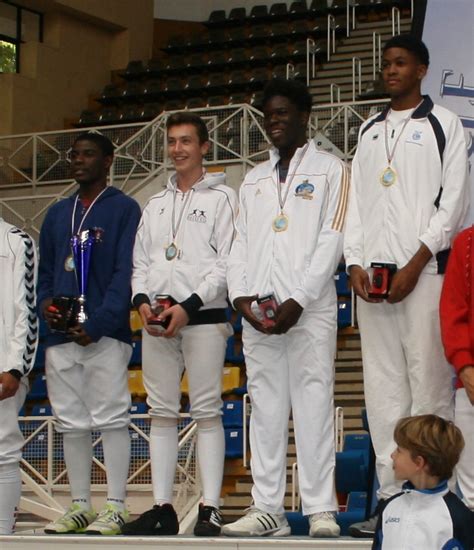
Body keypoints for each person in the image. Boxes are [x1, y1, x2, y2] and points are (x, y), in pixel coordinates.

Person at [344, 34, 469, 537]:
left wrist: (417, 262)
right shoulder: (369, 129)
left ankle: (440, 498)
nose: (389, 70)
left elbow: (454, 202)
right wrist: (353, 261)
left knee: (429, 388)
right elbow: (354, 205)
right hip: (371, 285)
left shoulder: (446, 124)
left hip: (423, 276)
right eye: (386, 64)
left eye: (400, 63)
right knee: (382, 391)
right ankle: (391, 498)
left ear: (422, 69)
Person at [223, 78, 349, 538]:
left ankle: (319, 508)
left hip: (308, 309)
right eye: (267, 116)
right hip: (258, 311)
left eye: (281, 114)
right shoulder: (253, 179)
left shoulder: (331, 170)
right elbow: (237, 246)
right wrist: (240, 300)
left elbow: (332, 238)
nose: (273, 122)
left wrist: (299, 298)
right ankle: (267, 508)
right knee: (266, 408)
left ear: (304, 117)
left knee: (314, 404)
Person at [122, 112, 237, 537]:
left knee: (206, 410)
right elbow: (139, 264)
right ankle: (162, 507)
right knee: (161, 413)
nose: (177, 149)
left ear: (204, 147)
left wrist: (188, 305)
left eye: (187, 141)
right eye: (172, 142)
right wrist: (142, 303)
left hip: (203, 317)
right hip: (155, 321)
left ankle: (210, 507)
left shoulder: (224, 198)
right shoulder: (153, 204)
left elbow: (227, 263)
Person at [37, 132, 141, 535]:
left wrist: (98, 322)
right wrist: (48, 307)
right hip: (61, 336)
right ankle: (80, 504)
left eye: (88, 154)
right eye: (74, 154)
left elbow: (125, 272)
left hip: (105, 332)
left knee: (112, 417)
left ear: (108, 160)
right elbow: (46, 274)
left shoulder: (124, 209)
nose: (79, 161)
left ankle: (115, 505)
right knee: (70, 422)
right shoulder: (56, 213)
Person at [372, 415, 473, 550]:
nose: (392, 455)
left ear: (419, 462)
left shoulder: (459, 516)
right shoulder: (389, 507)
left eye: (399, 450)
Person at [0, 218, 38, 534]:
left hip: (3, 366)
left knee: (3, 451)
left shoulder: (16, 241)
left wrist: (15, 368)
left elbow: (27, 309)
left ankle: (3, 533)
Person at [440, 226, 474, 511]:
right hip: (472, 384)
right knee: (473, 496)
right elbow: (452, 309)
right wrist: (464, 365)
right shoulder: (466, 243)